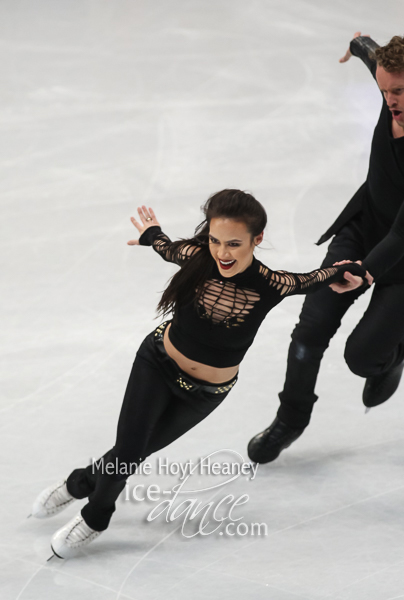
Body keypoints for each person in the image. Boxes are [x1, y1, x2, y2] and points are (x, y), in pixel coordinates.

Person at [31, 189, 366, 558]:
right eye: (215, 240)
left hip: (205, 392)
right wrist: (151, 234)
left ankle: (79, 483)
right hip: (156, 363)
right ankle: (96, 518)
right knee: (128, 450)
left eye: (234, 243)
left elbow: (310, 279)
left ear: (258, 239)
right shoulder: (196, 258)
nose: (222, 252)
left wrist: (342, 272)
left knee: (132, 453)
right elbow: (166, 247)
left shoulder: (271, 284)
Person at [247, 32, 404, 464]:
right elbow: (372, 54)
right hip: (362, 229)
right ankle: (291, 419)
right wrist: (361, 44)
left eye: (398, 90)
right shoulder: (394, 85)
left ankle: (394, 350)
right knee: (310, 331)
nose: (389, 101)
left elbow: (403, 235)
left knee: (362, 358)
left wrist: (365, 273)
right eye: (383, 90)